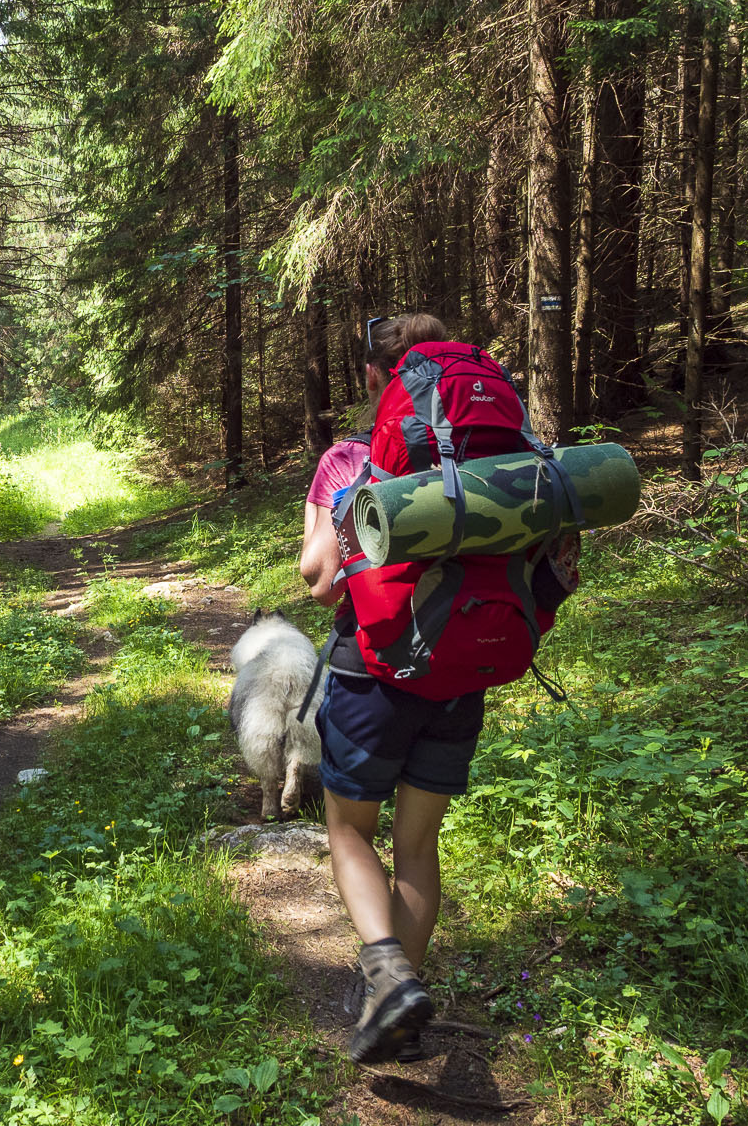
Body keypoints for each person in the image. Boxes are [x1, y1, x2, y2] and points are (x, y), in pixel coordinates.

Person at [297, 311, 479, 1064]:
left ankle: (385, 976)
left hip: (371, 674)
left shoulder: (349, 459)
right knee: (419, 849)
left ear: (376, 376)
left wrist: (345, 521)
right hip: (463, 674)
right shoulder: (482, 461)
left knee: (348, 832)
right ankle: (399, 1000)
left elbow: (315, 581)